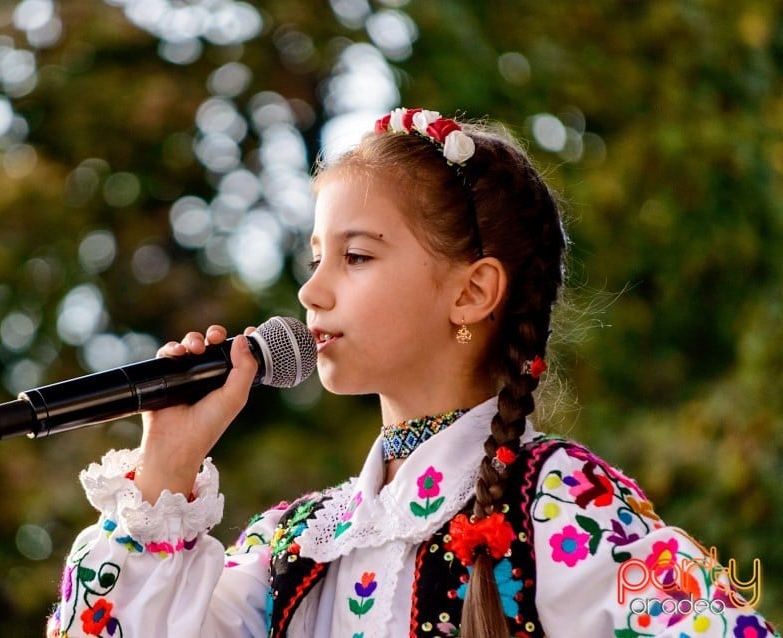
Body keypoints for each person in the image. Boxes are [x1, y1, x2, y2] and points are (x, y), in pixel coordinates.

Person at [46, 108, 778, 637]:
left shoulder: (562, 508)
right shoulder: (294, 547)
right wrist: (165, 467)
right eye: (313, 258)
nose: (311, 292)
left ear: (472, 291)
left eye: (356, 256)